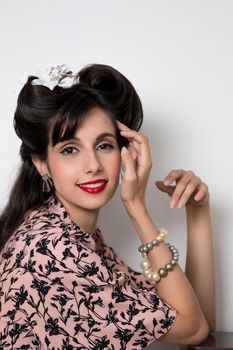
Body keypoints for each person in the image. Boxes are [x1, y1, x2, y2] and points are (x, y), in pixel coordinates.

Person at [0, 64, 215, 349]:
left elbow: (198, 320)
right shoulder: (53, 251)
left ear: (125, 151)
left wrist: (198, 213)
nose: (93, 166)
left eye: (104, 145)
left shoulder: (75, 234)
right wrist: (137, 207)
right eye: (70, 150)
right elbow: (193, 329)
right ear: (42, 164)